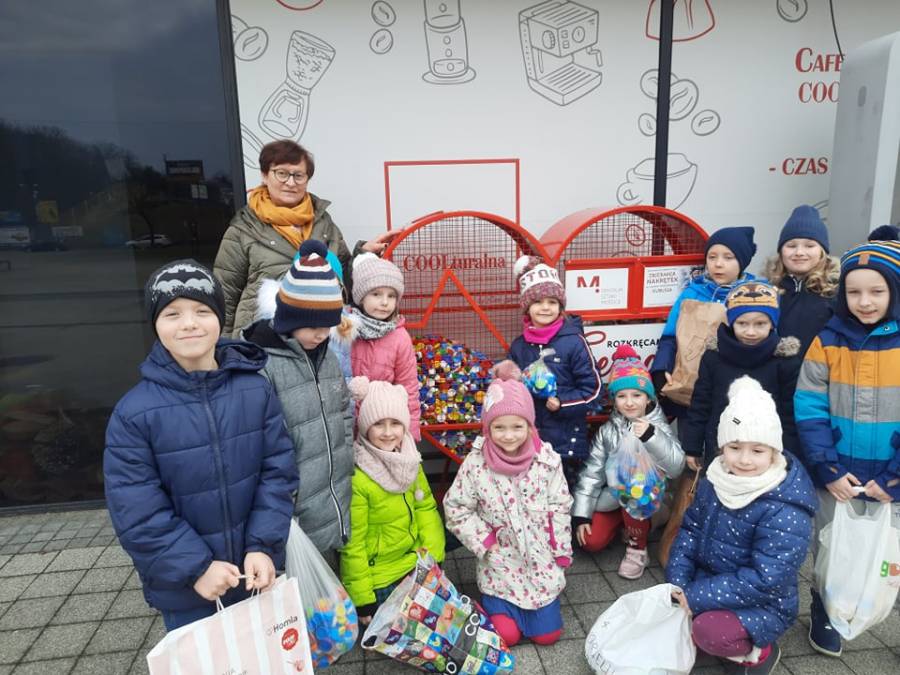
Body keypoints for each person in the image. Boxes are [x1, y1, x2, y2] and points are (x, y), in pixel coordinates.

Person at [104, 260, 298, 631]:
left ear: (220, 319)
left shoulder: (255, 389)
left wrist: (263, 545)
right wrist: (194, 567)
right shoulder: (134, 413)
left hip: (254, 573)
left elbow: (278, 472)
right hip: (189, 589)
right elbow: (136, 509)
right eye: (172, 314)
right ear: (155, 324)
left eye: (202, 311)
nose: (189, 323)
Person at [794, 228, 900, 658]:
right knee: (831, 546)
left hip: (892, 475)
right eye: (854, 292)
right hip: (839, 474)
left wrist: (895, 478)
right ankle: (825, 609)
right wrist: (827, 468)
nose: (865, 301)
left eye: (877, 291)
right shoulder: (828, 340)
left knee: (891, 553)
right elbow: (809, 406)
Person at [667, 376, 816, 675]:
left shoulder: (784, 507)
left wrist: (694, 596)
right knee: (672, 615)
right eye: (734, 447)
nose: (744, 460)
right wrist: (678, 583)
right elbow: (690, 532)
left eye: (758, 450)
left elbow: (766, 579)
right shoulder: (715, 480)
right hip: (713, 583)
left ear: (774, 451)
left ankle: (760, 654)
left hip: (764, 602)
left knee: (708, 632)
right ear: (722, 447)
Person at [444, 361, 573, 647]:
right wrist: (485, 541)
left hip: (540, 563)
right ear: (487, 428)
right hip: (500, 565)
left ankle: (537, 611)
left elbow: (559, 507)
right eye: (499, 427)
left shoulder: (547, 462)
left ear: (530, 425)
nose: (509, 435)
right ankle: (491, 607)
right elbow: (456, 507)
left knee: (548, 636)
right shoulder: (476, 464)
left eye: (517, 426)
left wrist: (561, 549)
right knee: (506, 636)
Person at [213, 140, 397, 337]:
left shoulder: (323, 222)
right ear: (265, 175)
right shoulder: (244, 228)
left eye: (298, 175)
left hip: (320, 335)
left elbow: (343, 278)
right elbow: (225, 295)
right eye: (282, 173)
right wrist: (224, 346)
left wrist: (363, 254)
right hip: (263, 338)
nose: (291, 182)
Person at [242, 239, 354, 555]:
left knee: (327, 569)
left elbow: (343, 409)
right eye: (312, 326)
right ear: (290, 318)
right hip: (292, 502)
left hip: (334, 492)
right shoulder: (263, 364)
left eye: (328, 326)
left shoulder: (327, 358)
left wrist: (346, 456)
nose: (322, 334)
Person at [572, 345, 684, 579]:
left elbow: (676, 467)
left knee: (635, 488)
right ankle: (632, 523)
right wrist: (582, 514)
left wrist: (652, 437)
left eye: (637, 395)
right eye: (621, 396)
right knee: (590, 541)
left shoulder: (658, 425)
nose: (629, 403)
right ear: (614, 400)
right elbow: (592, 473)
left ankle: (637, 547)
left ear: (648, 397)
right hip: (615, 496)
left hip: (647, 494)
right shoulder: (608, 431)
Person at [340, 376, 445, 624]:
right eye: (378, 424)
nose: (388, 433)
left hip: (414, 560)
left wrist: (434, 560)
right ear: (365, 427)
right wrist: (363, 599)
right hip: (380, 573)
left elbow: (426, 509)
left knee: (437, 624)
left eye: (395, 423)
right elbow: (353, 543)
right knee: (396, 629)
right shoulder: (359, 477)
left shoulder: (410, 461)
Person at [681, 280, 801, 468]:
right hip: (720, 447)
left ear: (772, 323)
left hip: (767, 450)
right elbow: (701, 403)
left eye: (760, 324)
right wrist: (692, 447)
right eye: (742, 323)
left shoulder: (784, 361)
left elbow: (789, 413)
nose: (750, 332)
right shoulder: (714, 357)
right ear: (731, 322)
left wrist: (789, 454)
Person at [651, 226, 757, 431]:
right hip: (690, 391)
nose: (718, 264)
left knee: (730, 441)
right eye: (712, 257)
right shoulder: (692, 292)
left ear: (742, 261)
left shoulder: (755, 294)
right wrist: (661, 368)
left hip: (733, 395)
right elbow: (670, 336)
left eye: (728, 257)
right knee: (690, 442)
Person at [507, 255, 601, 484]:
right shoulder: (519, 346)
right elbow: (510, 391)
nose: (545, 307)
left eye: (552, 302)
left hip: (566, 446)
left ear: (560, 306)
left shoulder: (574, 342)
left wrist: (562, 403)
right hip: (528, 444)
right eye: (538, 302)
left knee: (563, 498)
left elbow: (594, 390)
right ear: (527, 308)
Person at [332, 252, 421, 439]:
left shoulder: (399, 337)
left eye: (391, 296)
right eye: (376, 294)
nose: (384, 302)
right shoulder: (344, 327)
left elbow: (408, 387)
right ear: (361, 296)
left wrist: (410, 434)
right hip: (344, 426)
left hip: (381, 430)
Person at [764, 205, 839, 359]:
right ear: (781, 252)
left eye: (809, 246)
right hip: (775, 371)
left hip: (818, 371)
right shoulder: (767, 291)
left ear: (822, 252)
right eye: (791, 246)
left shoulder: (835, 292)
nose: (799, 252)